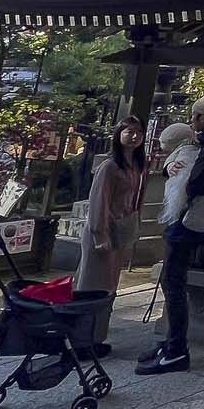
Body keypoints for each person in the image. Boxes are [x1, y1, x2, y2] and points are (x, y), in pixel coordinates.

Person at [138, 96, 204, 376]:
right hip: (196, 217)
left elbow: (197, 182)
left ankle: (176, 350)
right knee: (173, 283)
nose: (193, 122)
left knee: (173, 283)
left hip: (192, 219)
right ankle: (170, 341)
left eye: (195, 117)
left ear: (201, 118)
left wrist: (181, 185)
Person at [76, 118, 146, 355]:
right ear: (118, 134)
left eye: (139, 132)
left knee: (108, 288)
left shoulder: (136, 165)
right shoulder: (109, 166)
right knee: (92, 285)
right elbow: (99, 202)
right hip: (103, 231)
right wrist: (99, 233)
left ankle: (97, 337)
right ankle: (83, 340)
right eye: (129, 131)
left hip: (120, 230)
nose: (135, 136)